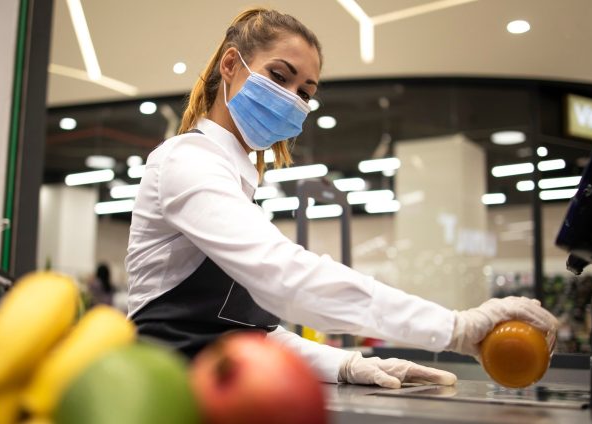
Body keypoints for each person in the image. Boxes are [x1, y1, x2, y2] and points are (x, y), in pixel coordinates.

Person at [125, 7, 558, 388]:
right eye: (279, 76)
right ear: (231, 64)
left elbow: (244, 333)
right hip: (155, 395)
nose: (292, 99)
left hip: (214, 390)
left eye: (305, 93)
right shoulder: (186, 161)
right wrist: (454, 327)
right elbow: (284, 278)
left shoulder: (234, 183)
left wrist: (349, 364)